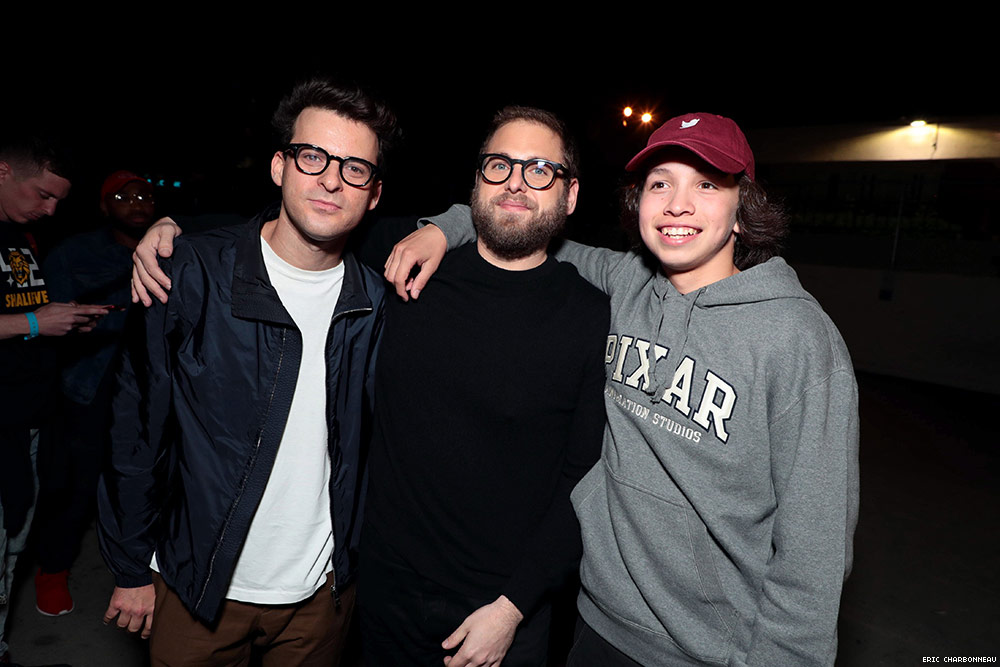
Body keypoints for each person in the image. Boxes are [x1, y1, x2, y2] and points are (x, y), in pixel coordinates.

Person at [130, 106, 610, 667]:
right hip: (379, 597)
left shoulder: (593, 317)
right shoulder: (401, 267)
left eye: (540, 170)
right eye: (499, 165)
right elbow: (300, 225)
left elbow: (583, 482)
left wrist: (513, 608)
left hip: (501, 612)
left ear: (570, 195)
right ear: (477, 179)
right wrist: (170, 234)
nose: (516, 183)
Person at [389, 113, 860, 666]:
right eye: (661, 183)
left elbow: (815, 552)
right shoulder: (627, 283)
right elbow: (522, 227)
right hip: (595, 623)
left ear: (742, 210)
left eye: (706, 185)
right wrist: (444, 227)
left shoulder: (798, 339)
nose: (678, 204)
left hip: (712, 651)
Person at [97, 78, 395, 666]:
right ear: (280, 166)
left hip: (321, 597)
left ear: (375, 194)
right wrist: (131, 566)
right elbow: (136, 429)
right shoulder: (190, 274)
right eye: (313, 157)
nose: (332, 179)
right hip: (196, 587)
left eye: (355, 168)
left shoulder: (381, 304)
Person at [0, 132, 107, 665]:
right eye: (43, 194)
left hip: (34, 416)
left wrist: (59, 320)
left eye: (60, 200)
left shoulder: (23, 235)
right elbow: (24, 320)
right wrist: (38, 321)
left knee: (13, 546)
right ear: (3, 172)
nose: (50, 208)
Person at [33, 171, 156, 618]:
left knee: (144, 481)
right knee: (73, 484)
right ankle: (52, 571)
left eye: (145, 194)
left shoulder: (175, 251)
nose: (137, 203)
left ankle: (146, 574)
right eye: (124, 196)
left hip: (151, 385)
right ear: (105, 206)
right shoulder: (76, 252)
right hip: (89, 382)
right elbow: (49, 319)